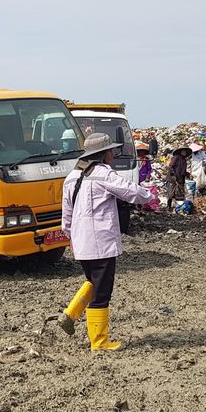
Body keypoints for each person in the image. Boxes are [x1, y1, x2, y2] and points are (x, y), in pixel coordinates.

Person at [58, 133, 154, 351]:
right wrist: (150, 196)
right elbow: (130, 191)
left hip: (81, 242)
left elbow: (67, 213)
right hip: (100, 242)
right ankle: (99, 342)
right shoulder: (103, 174)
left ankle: (70, 314)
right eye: (111, 151)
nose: (113, 154)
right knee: (102, 292)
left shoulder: (72, 177)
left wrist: (70, 236)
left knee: (94, 281)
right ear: (103, 154)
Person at [167, 146, 192, 212]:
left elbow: (182, 170)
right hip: (173, 178)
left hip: (181, 179)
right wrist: (173, 175)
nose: (184, 153)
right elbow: (170, 166)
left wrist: (187, 174)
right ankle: (168, 206)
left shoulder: (184, 160)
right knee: (171, 193)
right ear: (180, 152)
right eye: (183, 151)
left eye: (185, 152)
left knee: (180, 193)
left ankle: (179, 207)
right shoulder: (176, 158)